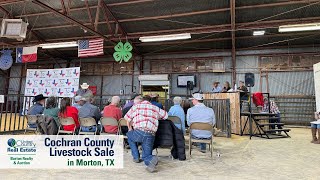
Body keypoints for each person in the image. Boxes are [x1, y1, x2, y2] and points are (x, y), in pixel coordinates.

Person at [124, 95, 168, 173]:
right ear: (150, 101)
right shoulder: (155, 108)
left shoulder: (136, 106)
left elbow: (126, 117)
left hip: (139, 131)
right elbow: (166, 116)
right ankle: (152, 158)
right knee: (146, 156)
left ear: (142, 100)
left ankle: (136, 157)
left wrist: (131, 127)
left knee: (129, 136)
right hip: (150, 134)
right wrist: (156, 117)